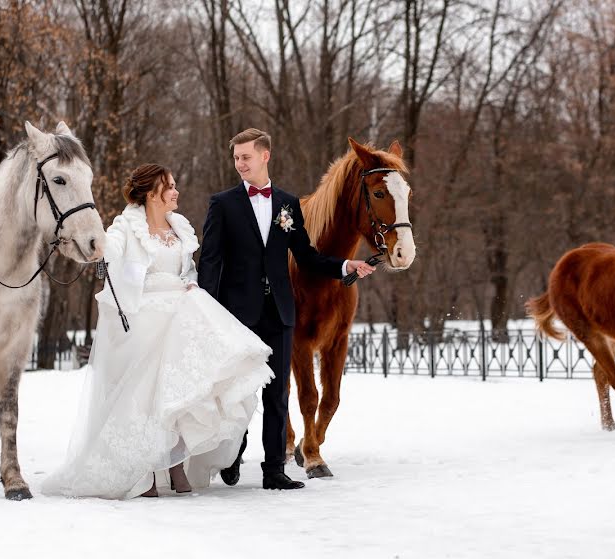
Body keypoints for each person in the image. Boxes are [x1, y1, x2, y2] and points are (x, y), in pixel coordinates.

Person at [42, 164, 273, 499]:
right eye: (170, 187)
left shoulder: (179, 227)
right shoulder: (126, 226)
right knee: (155, 382)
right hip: (144, 313)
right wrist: (90, 245)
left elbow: (189, 270)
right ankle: (146, 469)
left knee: (186, 381)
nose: (176, 192)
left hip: (181, 307)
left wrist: (191, 286)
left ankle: (176, 463)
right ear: (151, 193)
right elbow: (111, 249)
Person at [198, 128, 375, 491]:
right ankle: (233, 454)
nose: (240, 164)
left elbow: (306, 255)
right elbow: (211, 261)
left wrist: (345, 266)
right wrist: (207, 309)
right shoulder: (223, 203)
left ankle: (273, 470)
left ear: (265, 156)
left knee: (277, 393)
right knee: (239, 391)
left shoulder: (287, 204)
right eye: (236, 158)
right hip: (238, 313)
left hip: (280, 309)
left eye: (246, 156)